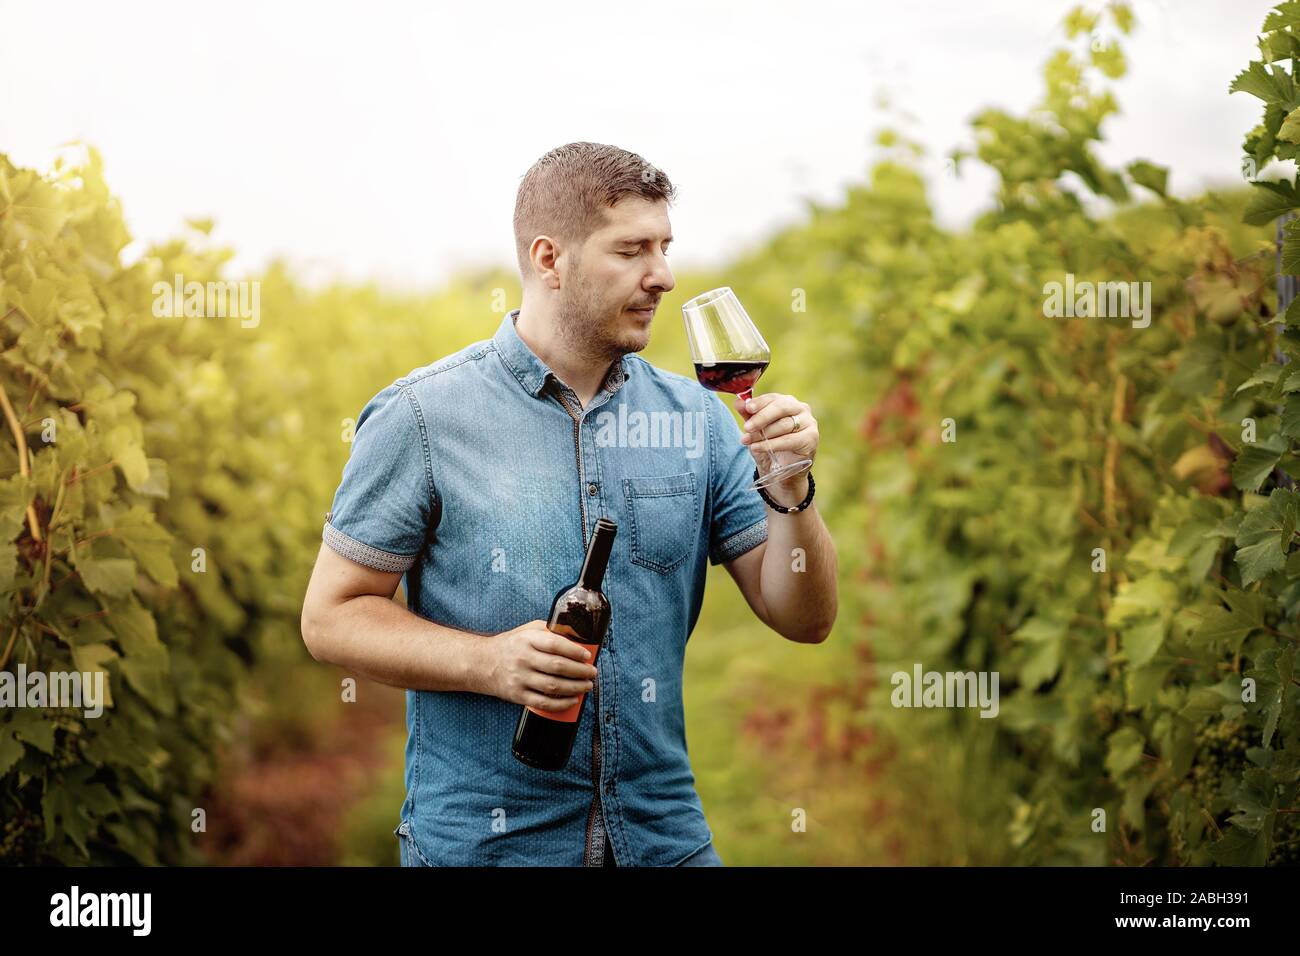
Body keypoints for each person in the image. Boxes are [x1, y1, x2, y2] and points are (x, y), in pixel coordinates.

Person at [300, 142, 838, 867]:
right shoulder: (424, 418)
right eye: (633, 250)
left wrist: (792, 492)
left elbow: (804, 618)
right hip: (489, 849)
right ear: (550, 259)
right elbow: (331, 617)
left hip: (663, 841)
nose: (665, 276)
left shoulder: (698, 418)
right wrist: (489, 662)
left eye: (666, 247)